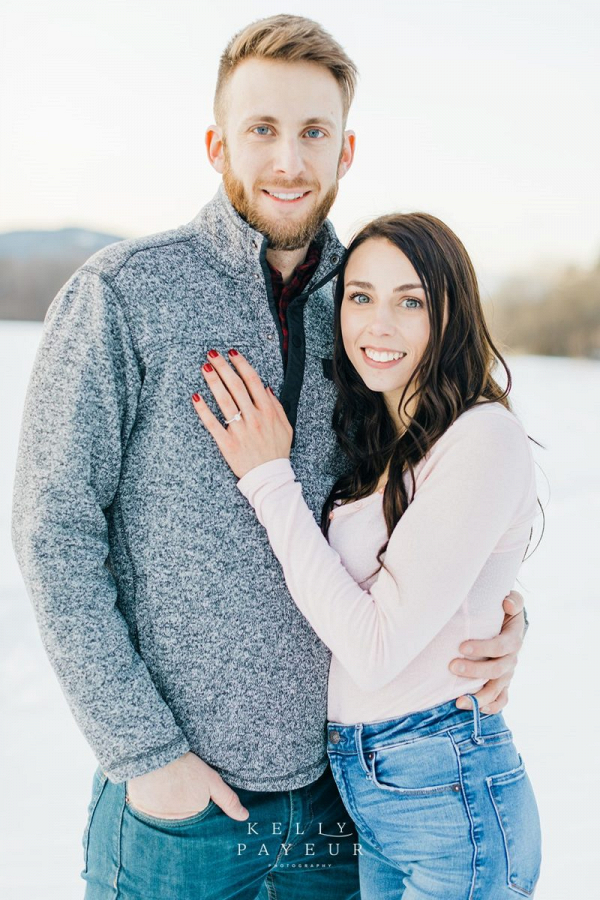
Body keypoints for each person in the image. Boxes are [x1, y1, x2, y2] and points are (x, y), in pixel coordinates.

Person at [11, 14, 528, 900]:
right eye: (262, 130)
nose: (288, 160)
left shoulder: (370, 315)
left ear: (346, 151)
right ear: (217, 144)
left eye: (313, 133)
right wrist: (147, 756)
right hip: (179, 814)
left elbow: (432, 507)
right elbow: (51, 535)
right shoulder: (125, 297)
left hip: (341, 808)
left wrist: (494, 624)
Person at [191, 211, 542, 898]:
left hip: (446, 788)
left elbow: (377, 646)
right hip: (378, 788)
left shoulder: (483, 436)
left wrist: (268, 479)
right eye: (361, 296)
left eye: (410, 301)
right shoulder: (390, 441)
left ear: (452, 314)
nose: (378, 325)